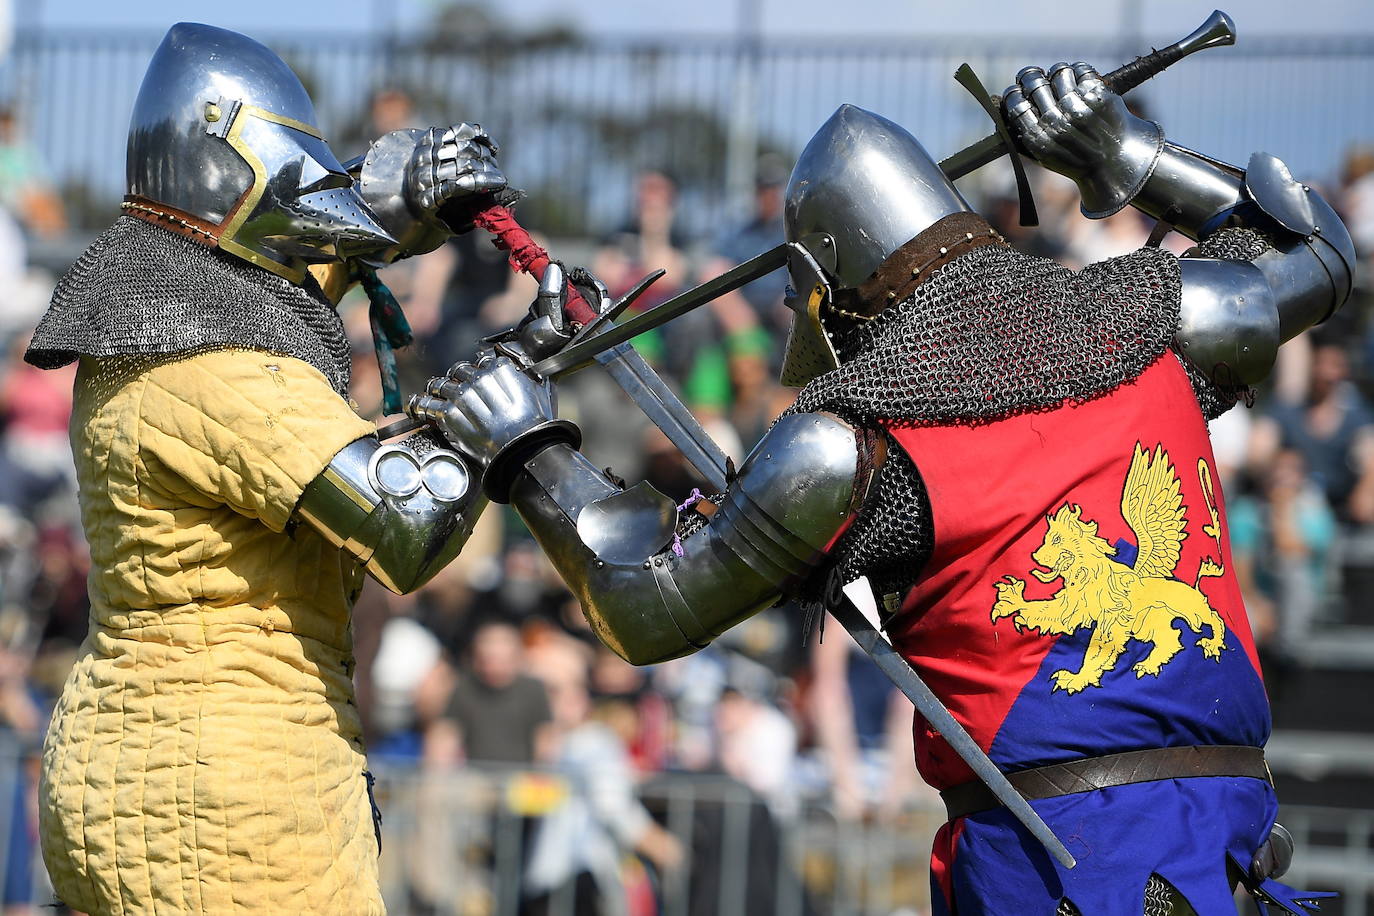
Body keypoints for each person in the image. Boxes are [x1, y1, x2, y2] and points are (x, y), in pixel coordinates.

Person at [417, 60, 1354, 914]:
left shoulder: (853, 442)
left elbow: (647, 610)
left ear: (824, 286)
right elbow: (1315, 253)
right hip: (1226, 838)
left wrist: (528, 449)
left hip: (1064, 873)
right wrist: (1123, 152)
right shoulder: (1155, 316)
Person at [23, 23, 516, 915]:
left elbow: (287, 275)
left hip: (158, 768)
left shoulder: (164, 312)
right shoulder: (209, 357)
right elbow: (407, 526)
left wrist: (398, 202)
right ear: (235, 163)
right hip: (221, 799)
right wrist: (499, 414)